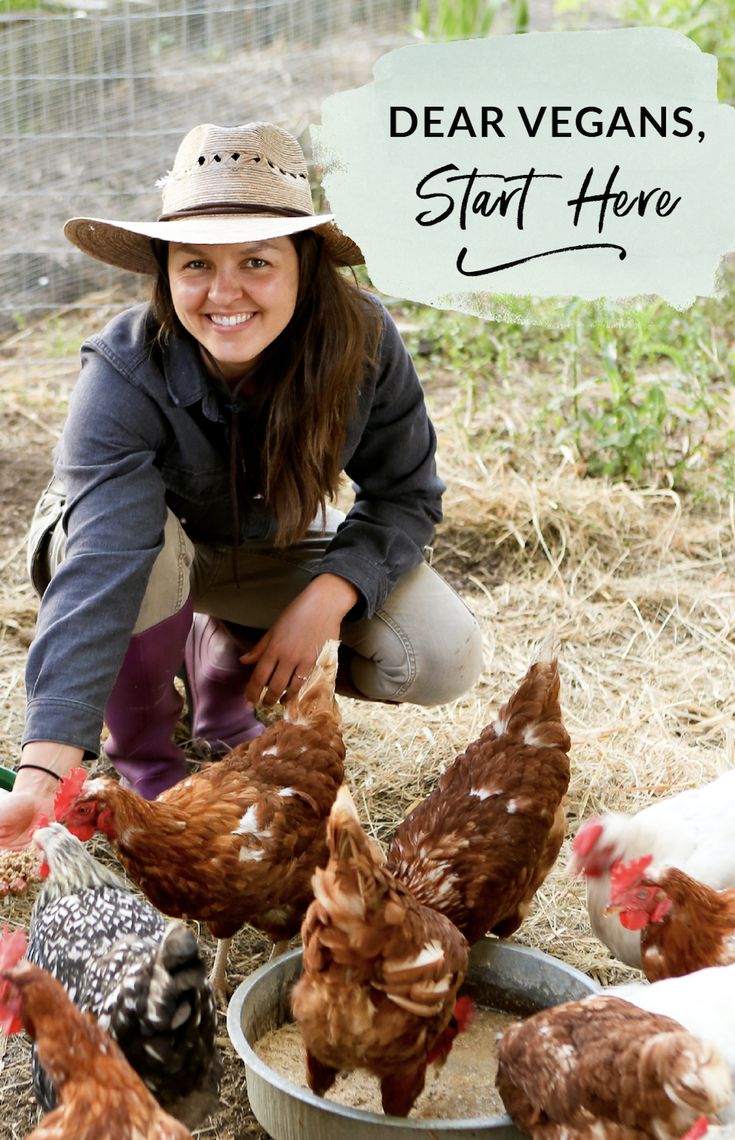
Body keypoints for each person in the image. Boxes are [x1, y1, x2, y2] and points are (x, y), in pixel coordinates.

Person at [0, 121, 483, 850]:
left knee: (438, 656)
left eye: (256, 261)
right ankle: (147, 751)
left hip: (263, 541)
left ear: (304, 264)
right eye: (195, 264)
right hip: (132, 552)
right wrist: (45, 768)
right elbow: (105, 561)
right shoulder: (123, 371)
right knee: (150, 549)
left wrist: (330, 596)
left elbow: (406, 494)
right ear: (164, 271)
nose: (224, 294)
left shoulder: (363, 342)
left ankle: (220, 661)